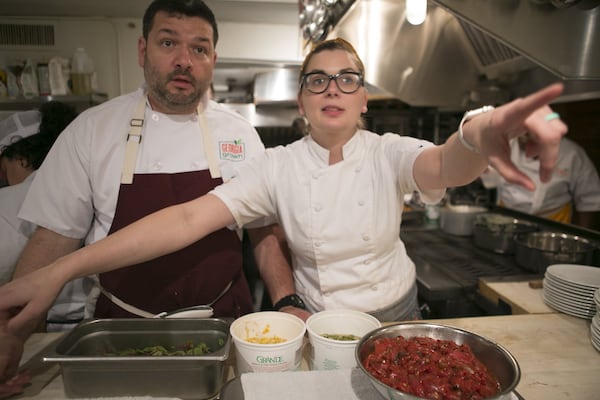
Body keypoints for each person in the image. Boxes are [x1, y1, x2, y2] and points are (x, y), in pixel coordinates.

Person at [0, 37, 567, 380]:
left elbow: (444, 165)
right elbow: (184, 220)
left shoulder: (389, 152)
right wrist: (62, 268)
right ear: (302, 100)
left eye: (348, 78)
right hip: (314, 325)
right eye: (318, 79)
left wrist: (483, 130)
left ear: (364, 97)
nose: (333, 88)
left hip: (396, 316)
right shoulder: (274, 165)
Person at [0, 0, 291, 384]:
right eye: (169, 43)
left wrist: (286, 304)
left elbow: (264, 234)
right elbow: (53, 240)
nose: (184, 60)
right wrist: (11, 335)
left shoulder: (240, 134)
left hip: (225, 323)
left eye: (199, 48)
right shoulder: (92, 131)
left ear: (213, 59)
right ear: (143, 50)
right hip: (121, 332)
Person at [0, 102, 89, 332]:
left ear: (21, 158)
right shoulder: (91, 186)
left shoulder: (8, 202)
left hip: (37, 327)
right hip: (95, 321)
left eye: (4, 167)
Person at [493, 135, 600, 230]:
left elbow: (589, 200)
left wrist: (582, 234)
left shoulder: (571, 154)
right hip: (505, 221)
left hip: (553, 226)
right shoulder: (504, 145)